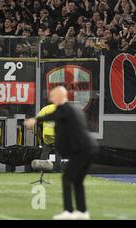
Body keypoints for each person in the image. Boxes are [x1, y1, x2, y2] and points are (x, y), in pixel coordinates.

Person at [25, 86, 98, 220]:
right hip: (88, 148)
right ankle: (82, 212)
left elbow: (53, 115)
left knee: (67, 178)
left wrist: (35, 120)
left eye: (53, 96)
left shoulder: (64, 108)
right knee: (77, 181)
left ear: (60, 96)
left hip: (82, 150)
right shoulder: (74, 110)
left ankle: (68, 212)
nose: (51, 98)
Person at [36, 103, 62, 172]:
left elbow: (38, 119)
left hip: (47, 133)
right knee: (58, 152)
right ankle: (57, 169)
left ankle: (42, 169)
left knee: (45, 151)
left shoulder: (45, 108)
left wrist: (42, 126)